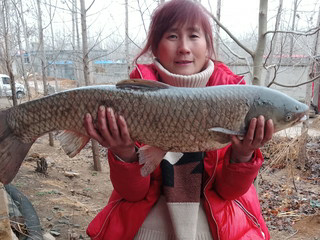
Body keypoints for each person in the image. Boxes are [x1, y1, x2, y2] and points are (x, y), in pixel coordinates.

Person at [84, 0, 273, 239]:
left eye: (194, 35)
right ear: (155, 46)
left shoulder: (235, 101)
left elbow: (228, 192)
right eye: (172, 36)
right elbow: (132, 195)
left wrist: (243, 156)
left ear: (208, 45)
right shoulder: (131, 99)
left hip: (215, 224)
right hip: (146, 221)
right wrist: (124, 152)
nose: (183, 47)